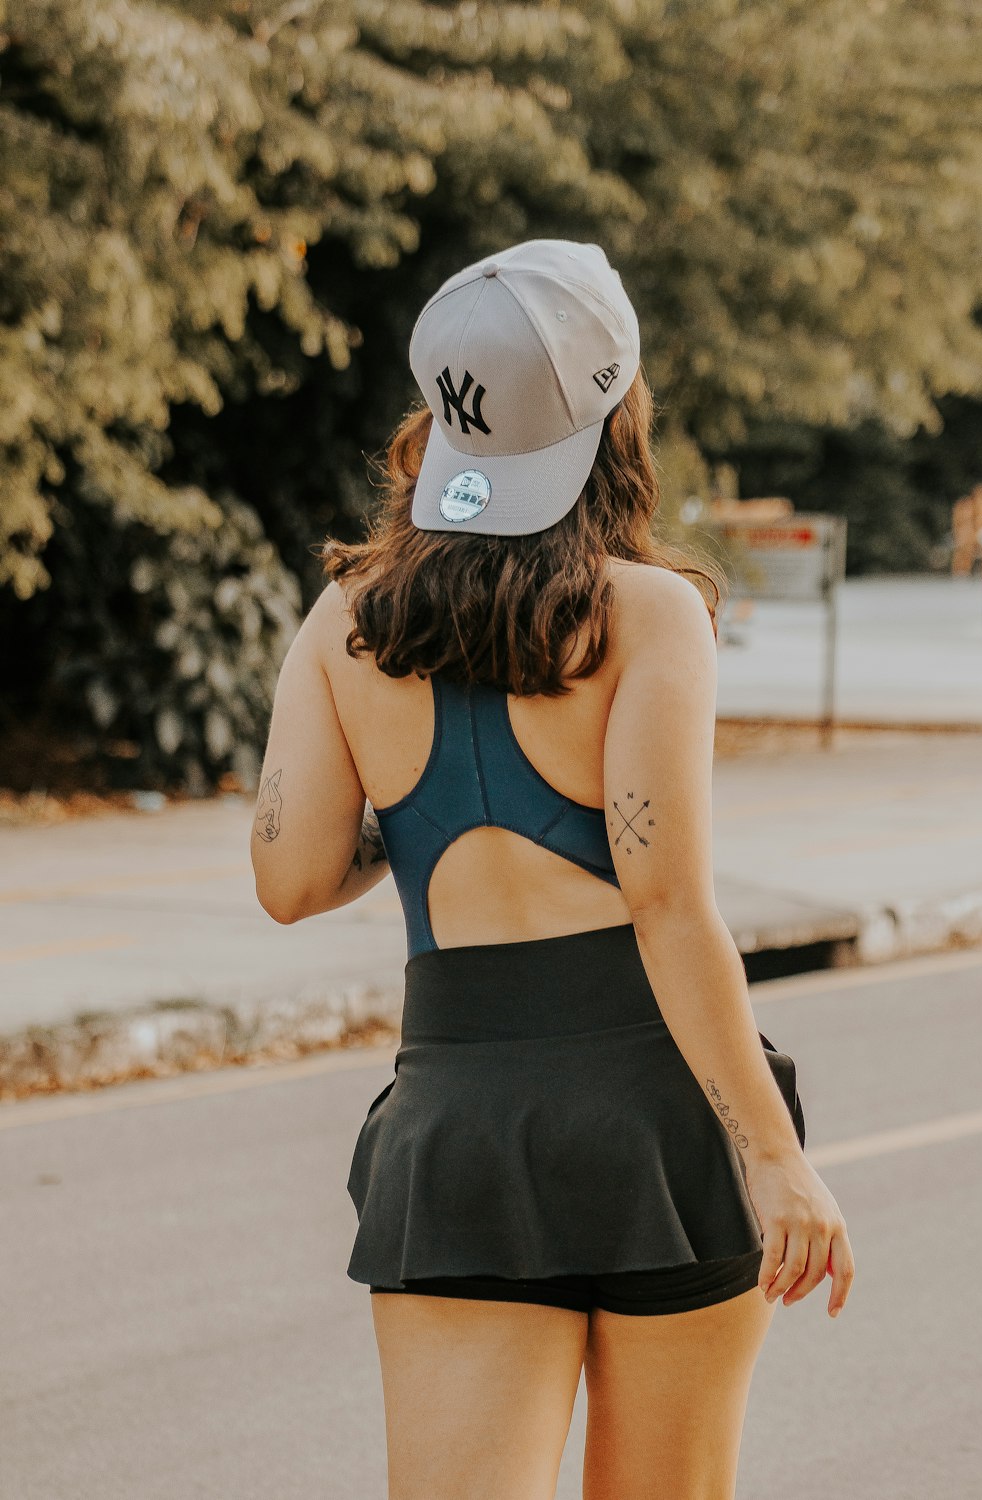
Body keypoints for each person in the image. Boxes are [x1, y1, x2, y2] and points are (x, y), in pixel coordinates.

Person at [251, 239, 855, 1500]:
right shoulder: (647, 612)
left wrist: (413, 812)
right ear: (615, 410)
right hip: (657, 1120)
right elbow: (667, 902)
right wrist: (773, 1157)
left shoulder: (346, 619)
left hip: (460, 1133)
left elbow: (292, 878)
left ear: (442, 416)